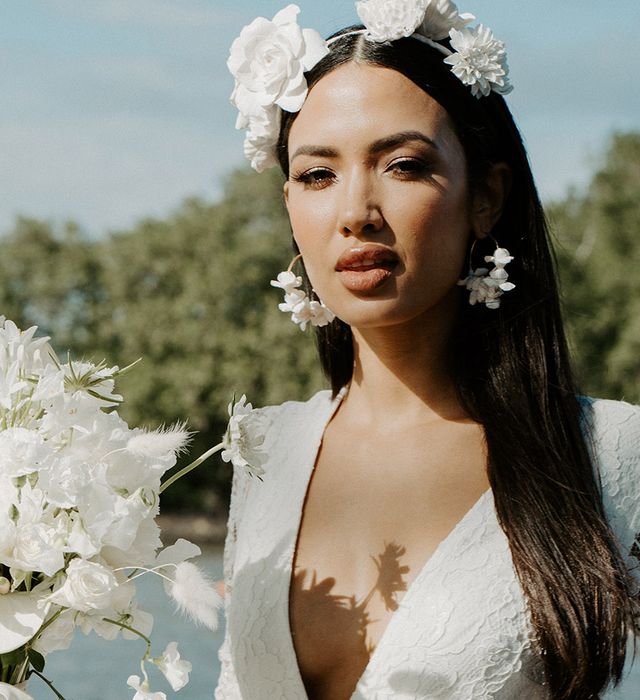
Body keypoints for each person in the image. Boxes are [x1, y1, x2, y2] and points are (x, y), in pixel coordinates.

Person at [217, 2, 640, 699]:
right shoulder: (265, 451)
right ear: (289, 201)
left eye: (404, 165)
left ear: (487, 195)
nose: (355, 211)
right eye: (318, 175)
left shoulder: (613, 457)